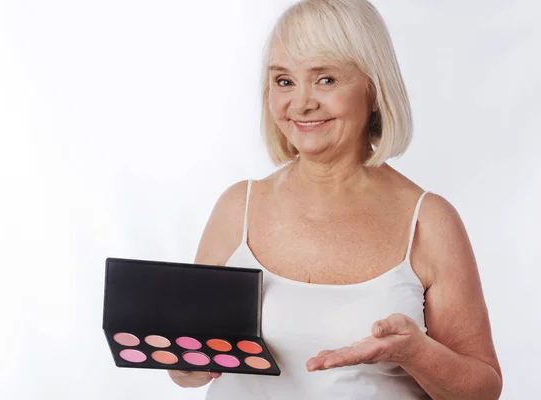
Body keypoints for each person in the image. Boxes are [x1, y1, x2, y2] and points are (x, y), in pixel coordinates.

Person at [168, 0, 502, 398]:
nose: (301, 103)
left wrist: (416, 353)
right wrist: (186, 361)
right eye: (284, 81)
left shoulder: (429, 221)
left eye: (325, 79)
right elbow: (190, 368)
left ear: (374, 89)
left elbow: (482, 390)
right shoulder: (237, 208)